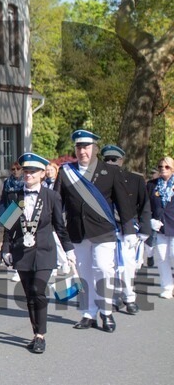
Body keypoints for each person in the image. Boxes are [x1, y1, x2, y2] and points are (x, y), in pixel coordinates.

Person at [1, 153, 76, 353]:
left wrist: (69, 250)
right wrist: (5, 249)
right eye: (26, 171)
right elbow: (8, 227)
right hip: (22, 252)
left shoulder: (52, 197)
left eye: (33, 171)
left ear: (42, 174)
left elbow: (60, 227)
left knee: (38, 290)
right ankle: (35, 332)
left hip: (44, 251)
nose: (28, 175)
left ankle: (41, 335)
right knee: (29, 294)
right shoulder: (15, 196)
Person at [54, 129, 126, 332]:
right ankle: (89, 313)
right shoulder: (66, 172)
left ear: (95, 148)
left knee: (103, 268)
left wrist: (130, 229)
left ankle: (106, 311)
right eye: (78, 147)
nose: (82, 151)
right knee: (84, 272)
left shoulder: (110, 171)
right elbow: (57, 203)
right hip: (77, 231)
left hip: (103, 230)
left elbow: (122, 203)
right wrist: (58, 230)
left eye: (86, 147)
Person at [102, 144, 151, 314]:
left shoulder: (135, 179)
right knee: (108, 265)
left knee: (127, 264)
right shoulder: (98, 181)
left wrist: (144, 230)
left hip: (128, 228)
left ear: (121, 161)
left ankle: (129, 297)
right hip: (106, 229)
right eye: (107, 160)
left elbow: (144, 205)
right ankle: (113, 297)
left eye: (114, 159)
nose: (111, 162)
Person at [147, 156, 174, 299]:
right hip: (160, 226)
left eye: (167, 167)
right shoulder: (152, 185)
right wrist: (150, 220)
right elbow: (146, 205)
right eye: (161, 167)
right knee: (162, 257)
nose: (163, 169)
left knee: (173, 255)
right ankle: (167, 287)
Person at [0, 161, 25, 282]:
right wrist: (1, 216)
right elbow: (3, 200)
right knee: (9, 240)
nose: (15, 171)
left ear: (22, 170)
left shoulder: (26, 183)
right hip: (10, 212)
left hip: (22, 213)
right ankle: (13, 265)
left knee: (20, 241)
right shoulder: (7, 183)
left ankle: (19, 268)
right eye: (13, 169)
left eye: (18, 169)